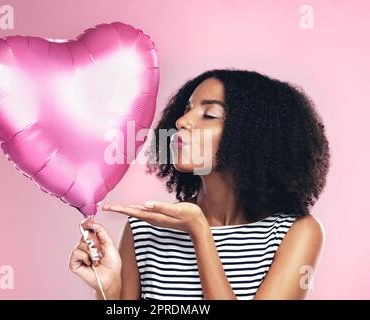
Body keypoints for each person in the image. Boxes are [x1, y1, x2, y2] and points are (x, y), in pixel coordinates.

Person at [69, 69, 330, 299]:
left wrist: (199, 231)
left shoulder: (295, 232)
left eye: (209, 114)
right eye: (186, 110)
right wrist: (109, 290)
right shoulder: (143, 230)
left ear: (251, 134)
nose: (182, 122)